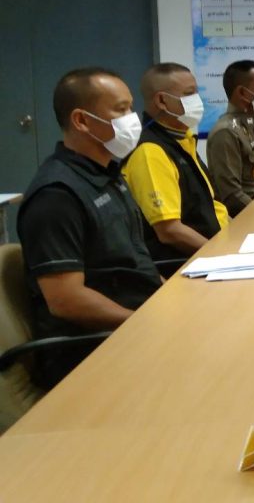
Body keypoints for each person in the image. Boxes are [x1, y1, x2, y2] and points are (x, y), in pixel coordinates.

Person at [17, 67, 163, 388]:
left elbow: (133, 261)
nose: (132, 119)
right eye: (120, 110)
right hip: (93, 350)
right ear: (82, 121)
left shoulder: (107, 175)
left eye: (131, 108)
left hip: (136, 323)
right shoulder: (57, 195)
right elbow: (66, 299)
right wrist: (146, 324)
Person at [122, 63, 229, 260]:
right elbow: (170, 231)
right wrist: (222, 256)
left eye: (196, 93)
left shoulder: (181, 140)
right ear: (162, 101)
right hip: (186, 263)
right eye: (189, 94)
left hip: (216, 246)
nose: (197, 101)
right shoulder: (150, 151)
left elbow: (210, 204)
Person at [206, 60, 254, 217]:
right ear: (242, 92)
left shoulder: (250, 124)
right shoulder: (226, 132)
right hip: (246, 218)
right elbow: (232, 196)